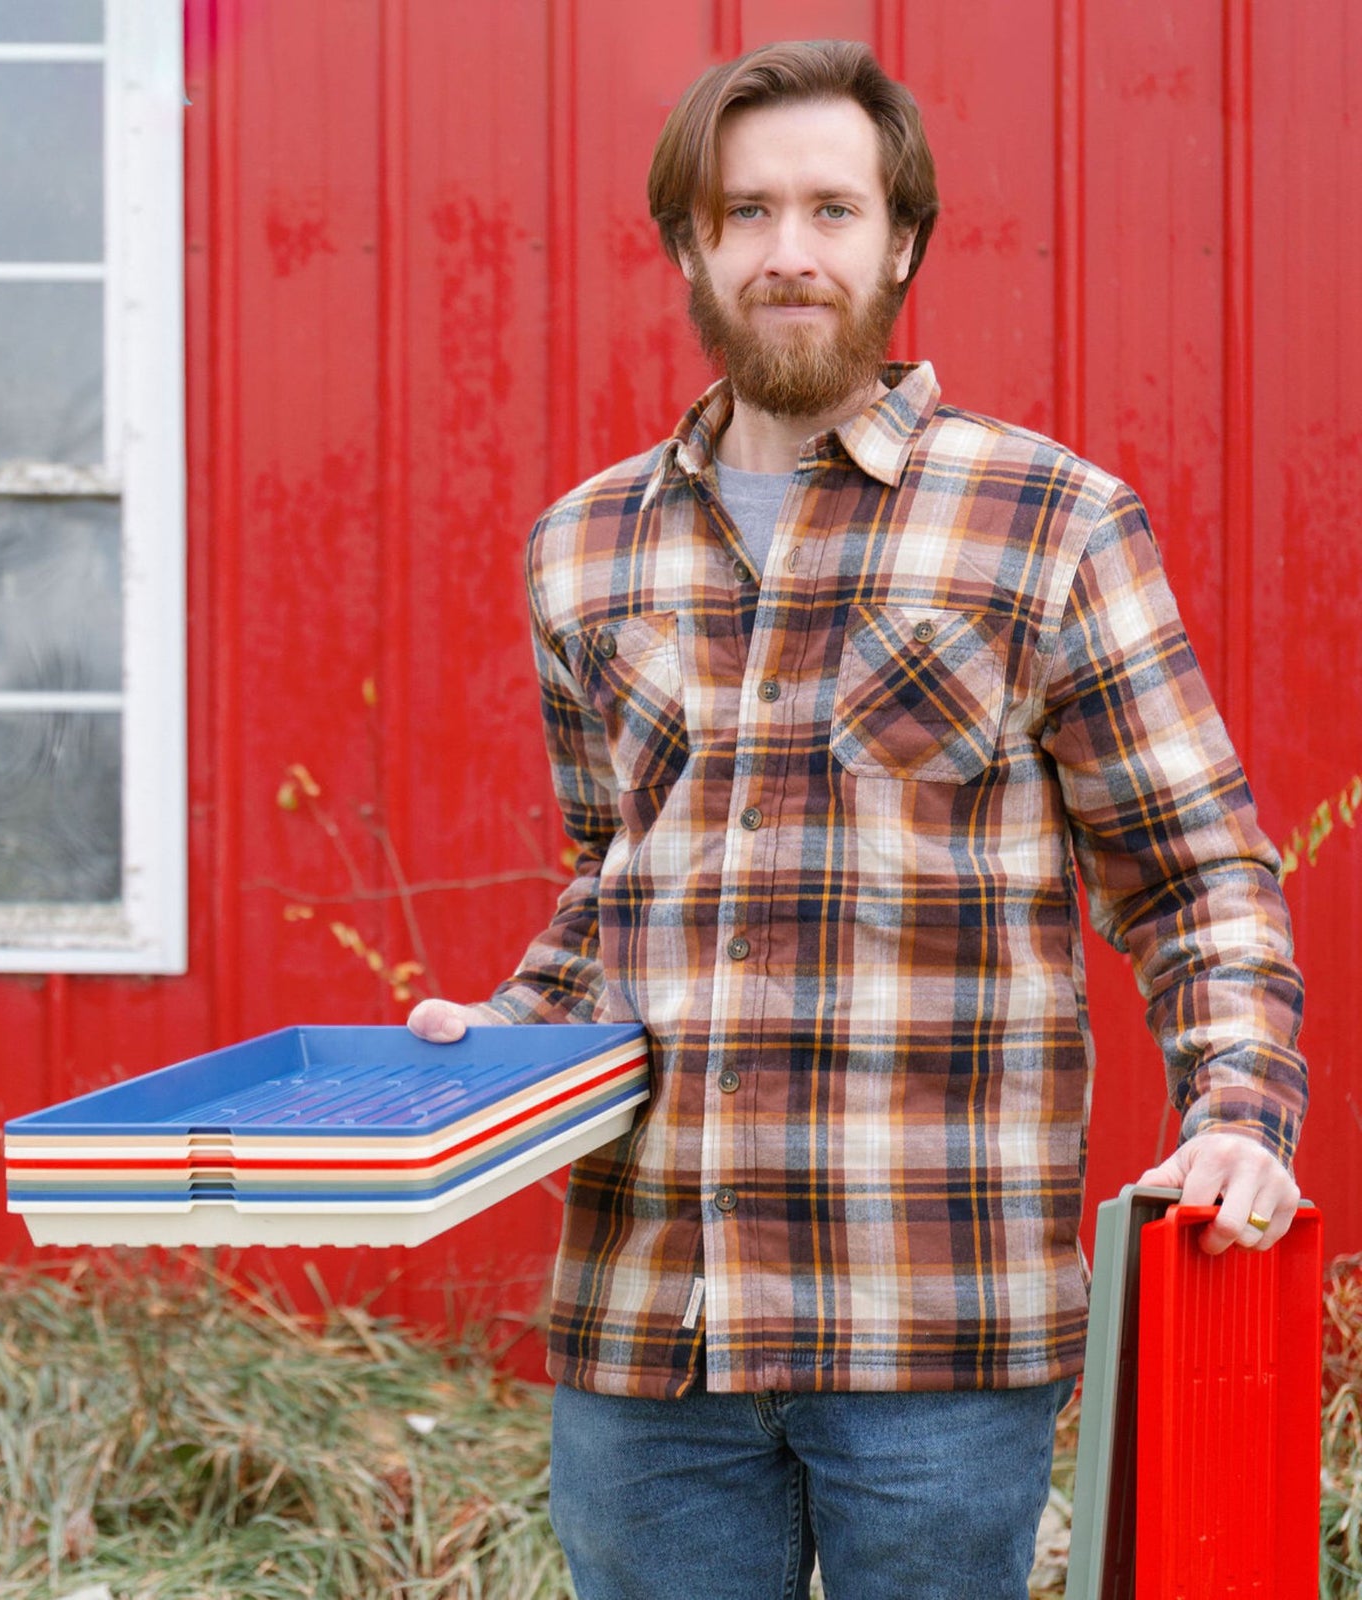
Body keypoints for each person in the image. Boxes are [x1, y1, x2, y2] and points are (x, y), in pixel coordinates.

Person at [409, 38, 1306, 1600]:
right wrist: (498, 1044)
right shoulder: (582, 548)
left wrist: (1237, 1114)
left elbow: (1192, 874)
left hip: (932, 1320)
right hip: (647, 1318)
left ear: (901, 244)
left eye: (832, 209)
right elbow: (612, 881)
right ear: (690, 245)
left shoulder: (1049, 522)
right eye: (745, 212)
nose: (788, 251)